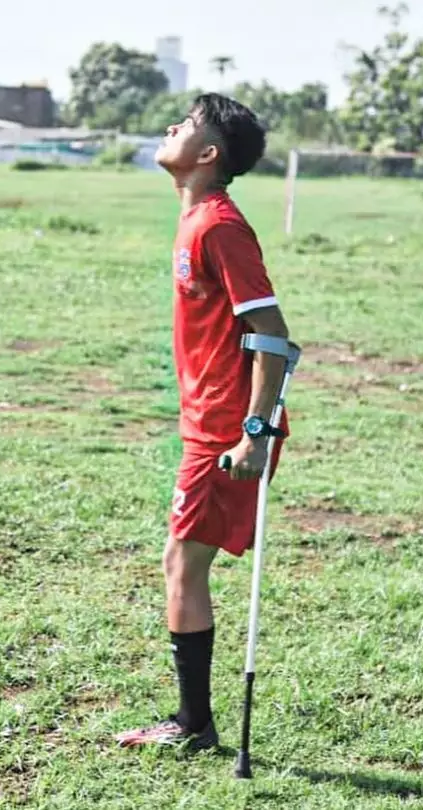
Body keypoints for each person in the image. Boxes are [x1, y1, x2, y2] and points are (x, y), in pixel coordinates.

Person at [115, 93, 292, 753]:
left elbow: (272, 335)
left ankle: (193, 726)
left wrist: (255, 432)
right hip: (207, 422)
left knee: (182, 566)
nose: (171, 128)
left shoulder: (219, 226)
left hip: (227, 430)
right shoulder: (194, 219)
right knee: (180, 564)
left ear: (209, 153)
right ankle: (193, 722)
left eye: (187, 125)